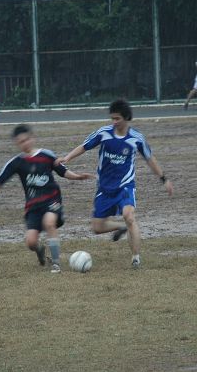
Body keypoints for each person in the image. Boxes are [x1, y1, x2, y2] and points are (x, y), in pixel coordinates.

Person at [58, 99, 174, 269]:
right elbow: (84, 146)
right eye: (112, 118)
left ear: (126, 117)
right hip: (104, 187)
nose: (114, 122)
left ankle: (135, 259)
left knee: (129, 216)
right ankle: (121, 227)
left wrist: (164, 179)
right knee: (97, 227)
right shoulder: (103, 133)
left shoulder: (136, 138)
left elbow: (150, 159)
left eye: (117, 118)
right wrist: (67, 158)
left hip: (125, 186)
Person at [0, 124, 94, 274]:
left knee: (49, 222)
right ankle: (40, 250)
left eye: (27, 139)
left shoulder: (46, 155)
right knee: (31, 242)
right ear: (17, 144)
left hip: (52, 199)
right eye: (21, 142)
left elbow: (63, 171)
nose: (25, 143)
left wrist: (78, 177)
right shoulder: (16, 163)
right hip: (33, 206)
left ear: (32, 138)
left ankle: (56, 263)